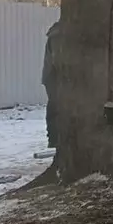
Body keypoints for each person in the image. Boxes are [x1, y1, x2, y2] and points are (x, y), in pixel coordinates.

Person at [42, 20, 60, 149]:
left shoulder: (55, 34)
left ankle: (54, 137)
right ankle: (54, 138)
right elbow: (58, 59)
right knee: (56, 106)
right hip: (55, 77)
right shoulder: (58, 36)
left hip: (51, 76)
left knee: (54, 106)